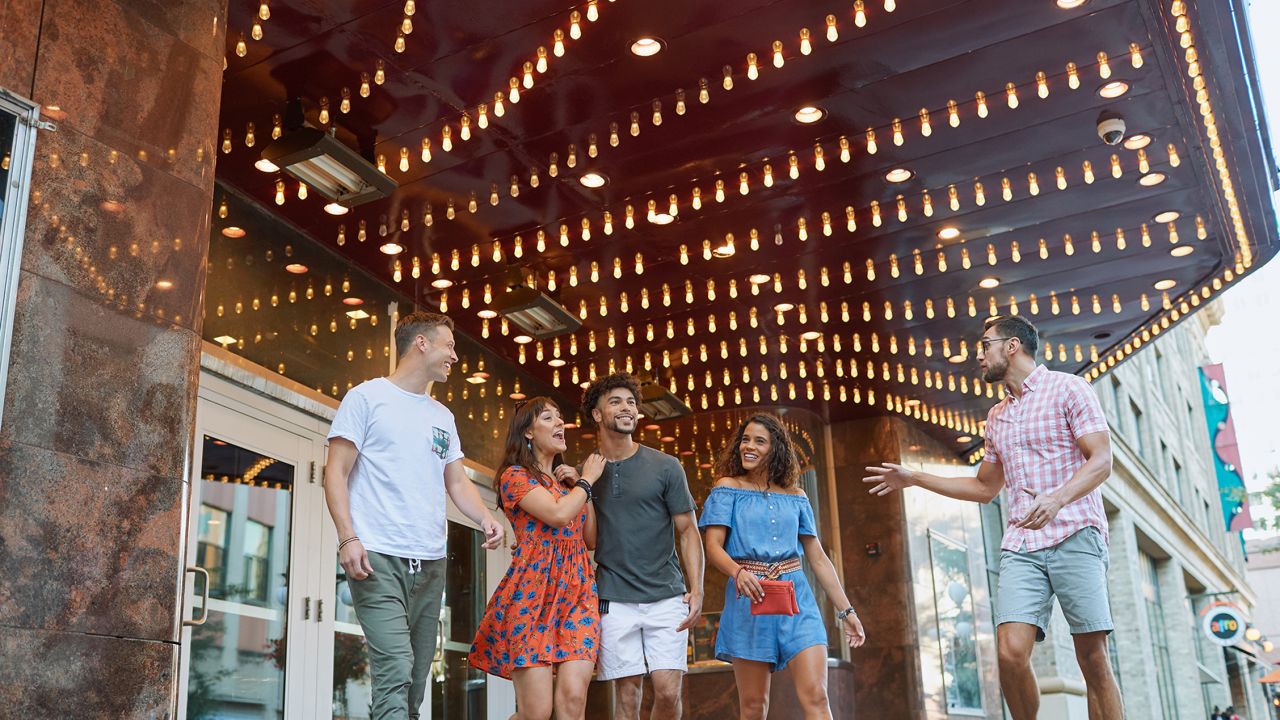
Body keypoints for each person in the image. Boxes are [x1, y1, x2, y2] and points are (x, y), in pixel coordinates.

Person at [863, 314, 1122, 720]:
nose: (979, 355)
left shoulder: (1069, 389)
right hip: (1021, 546)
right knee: (1009, 653)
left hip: (1076, 534)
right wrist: (913, 477)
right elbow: (985, 488)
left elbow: (1102, 460)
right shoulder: (996, 417)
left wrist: (1056, 499)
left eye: (986, 345)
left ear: (1012, 346)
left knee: (1091, 656)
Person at [324, 310, 505, 720]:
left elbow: (457, 483)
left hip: (430, 563)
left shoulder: (442, 417)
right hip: (378, 557)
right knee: (396, 671)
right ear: (421, 342)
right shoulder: (366, 398)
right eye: (449, 345)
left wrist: (485, 519)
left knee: (417, 682)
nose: (455, 356)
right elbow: (335, 470)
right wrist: (348, 536)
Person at [701, 414, 866, 720]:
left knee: (817, 697)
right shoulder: (727, 488)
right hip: (749, 600)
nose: (748, 447)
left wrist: (847, 611)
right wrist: (737, 572)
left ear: (776, 448)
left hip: (798, 601)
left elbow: (816, 556)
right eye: (745, 440)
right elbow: (712, 547)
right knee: (753, 707)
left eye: (759, 441)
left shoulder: (797, 497)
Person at [468, 397, 606, 720]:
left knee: (573, 701)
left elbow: (590, 539)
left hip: (577, 593)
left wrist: (578, 487)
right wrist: (587, 481)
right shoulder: (514, 477)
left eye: (561, 417)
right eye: (549, 418)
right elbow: (558, 514)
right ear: (528, 432)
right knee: (537, 712)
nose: (560, 423)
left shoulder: (569, 485)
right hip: (533, 596)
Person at [580, 373, 704, 720]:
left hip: (666, 595)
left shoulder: (666, 466)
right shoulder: (585, 473)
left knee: (667, 691)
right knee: (627, 694)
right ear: (597, 414)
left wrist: (697, 589)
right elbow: (586, 539)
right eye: (616, 402)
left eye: (631, 402)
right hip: (613, 597)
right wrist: (581, 484)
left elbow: (688, 531)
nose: (627, 408)